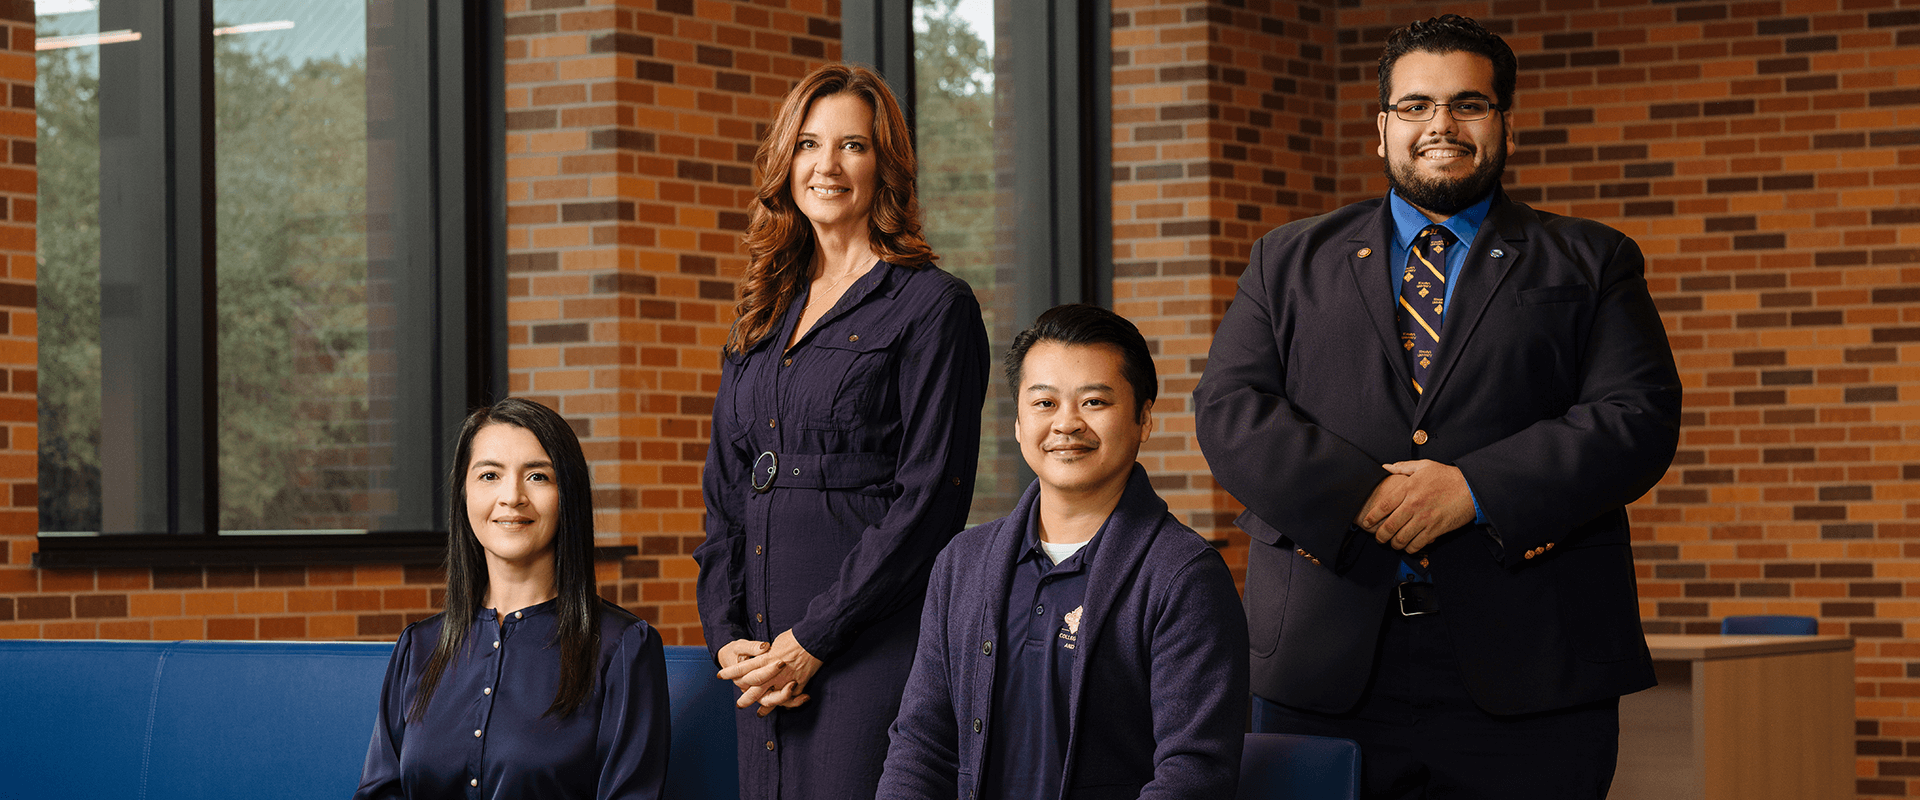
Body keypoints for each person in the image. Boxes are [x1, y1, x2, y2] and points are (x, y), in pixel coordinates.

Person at [1192, 15, 1682, 800]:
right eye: (1416, 106)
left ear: (1505, 124)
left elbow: (1637, 416)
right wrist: (1368, 496)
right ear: (1382, 126)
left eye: (1468, 105)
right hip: (1324, 662)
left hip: (1535, 665)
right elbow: (1230, 408)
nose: (1440, 126)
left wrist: (1472, 489)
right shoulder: (1286, 258)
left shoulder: (1594, 260)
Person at [693, 63, 991, 799]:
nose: (826, 166)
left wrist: (812, 642)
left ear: (884, 165)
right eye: (808, 144)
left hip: (868, 646)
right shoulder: (761, 315)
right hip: (760, 662)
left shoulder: (933, 307)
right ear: (785, 161)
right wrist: (728, 637)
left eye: (852, 146)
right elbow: (724, 498)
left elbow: (930, 503)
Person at [878, 304, 1248, 800]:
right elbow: (922, 747)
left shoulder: (1183, 576)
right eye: (1044, 403)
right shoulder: (962, 564)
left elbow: (1194, 773)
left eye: (1094, 402)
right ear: (1017, 421)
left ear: (1144, 418)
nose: (1066, 424)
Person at [355, 398, 669, 800]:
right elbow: (380, 791)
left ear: (567, 495)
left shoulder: (623, 647)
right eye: (489, 475)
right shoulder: (419, 647)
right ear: (464, 494)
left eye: (538, 477)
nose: (512, 497)